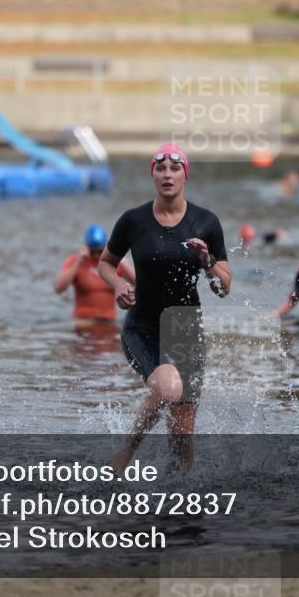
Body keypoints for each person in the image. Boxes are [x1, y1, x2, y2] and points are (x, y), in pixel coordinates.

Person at [98, 143, 230, 472]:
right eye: (161, 169)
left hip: (186, 328)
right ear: (153, 175)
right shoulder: (133, 220)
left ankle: (179, 509)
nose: (167, 175)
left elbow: (223, 288)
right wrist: (118, 285)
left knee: (182, 435)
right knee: (169, 387)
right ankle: (124, 455)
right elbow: (105, 263)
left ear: (186, 175)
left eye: (174, 169)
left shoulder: (206, 222)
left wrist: (208, 262)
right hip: (143, 327)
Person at [55, 224, 135, 323]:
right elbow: (59, 288)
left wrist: (122, 261)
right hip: (83, 321)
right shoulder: (75, 261)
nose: (97, 255)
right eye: (93, 252)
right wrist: (79, 262)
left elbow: (138, 282)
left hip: (108, 321)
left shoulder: (113, 263)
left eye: (100, 251)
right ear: (86, 247)